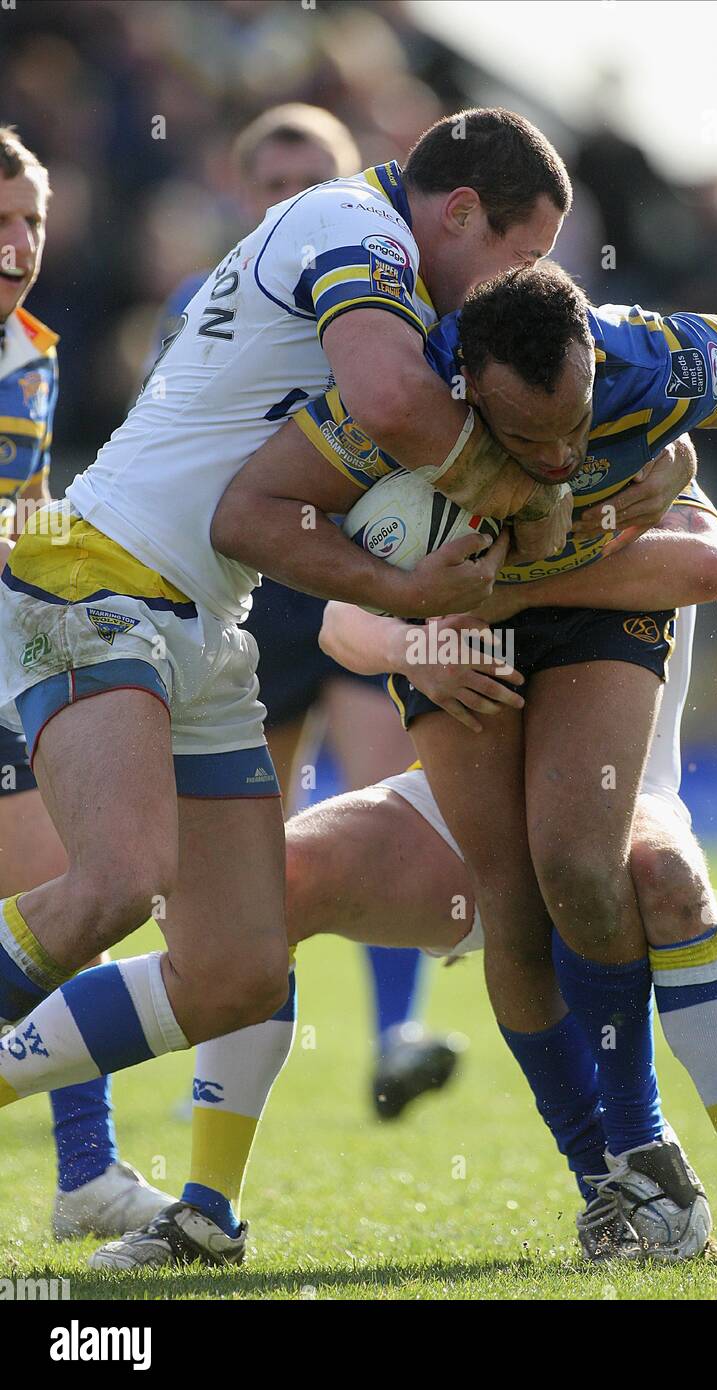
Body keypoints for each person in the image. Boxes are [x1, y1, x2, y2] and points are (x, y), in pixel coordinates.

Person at [202, 262, 717, 1265]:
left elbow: (704, 555)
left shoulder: (649, 386)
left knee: (631, 869)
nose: (564, 452)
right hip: (452, 770)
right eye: (531, 439)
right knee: (267, 889)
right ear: (468, 400)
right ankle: (189, 1200)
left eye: (577, 424)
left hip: (620, 785)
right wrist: (414, 636)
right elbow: (332, 611)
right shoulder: (397, 420)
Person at [0, 111, 573, 1258]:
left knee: (237, 966)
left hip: (208, 617)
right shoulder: (350, 225)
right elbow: (396, 407)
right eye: (518, 257)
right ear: (456, 213)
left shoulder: (393, 277)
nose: (521, 286)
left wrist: (403, 588)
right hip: (93, 577)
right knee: (115, 878)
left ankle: (140, 1193)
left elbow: (252, 519)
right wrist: (538, 479)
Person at [150, 101, 460, 1120]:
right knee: (260, 850)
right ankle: (226, 1075)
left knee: (379, 796)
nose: (294, 199)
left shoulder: (384, 290)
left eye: (312, 179)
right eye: (275, 184)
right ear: (247, 195)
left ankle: (395, 1034)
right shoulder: (206, 301)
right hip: (255, 592)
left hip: (363, 574)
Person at [0, 125, 173, 1237]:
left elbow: (30, 511)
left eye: (33, 222)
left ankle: (85, 1173)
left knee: (69, 898)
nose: (18, 245)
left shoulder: (35, 350)